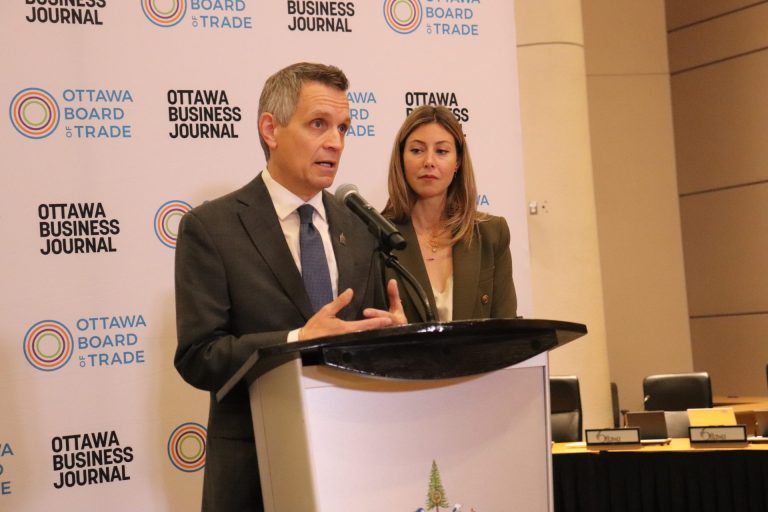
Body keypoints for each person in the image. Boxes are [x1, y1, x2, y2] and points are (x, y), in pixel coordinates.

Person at [174, 62, 405, 512]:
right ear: (270, 129)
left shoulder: (359, 227)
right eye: (318, 124)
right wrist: (298, 341)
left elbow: (365, 341)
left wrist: (394, 338)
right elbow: (199, 357)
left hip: (358, 467)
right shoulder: (212, 227)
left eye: (343, 128)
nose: (335, 142)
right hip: (255, 475)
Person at [382, 105, 517, 322]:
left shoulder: (491, 233)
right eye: (417, 150)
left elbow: (506, 331)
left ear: (458, 162)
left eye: (441, 151)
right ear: (401, 159)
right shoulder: (376, 238)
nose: (429, 162)